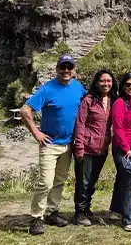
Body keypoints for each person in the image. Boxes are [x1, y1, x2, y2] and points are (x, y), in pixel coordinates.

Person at [21, 55, 86, 236]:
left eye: (69, 67)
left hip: (68, 144)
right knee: (45, 182)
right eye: (63, 67)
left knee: (59, 181)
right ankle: (36, 218)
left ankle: (52, 213)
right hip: (50, 144)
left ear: (74, 70)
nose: (66, 70)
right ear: (57, 69)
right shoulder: (47, 89)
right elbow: (25, 110)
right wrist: (36, 133)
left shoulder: (77, 87)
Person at [72, 69, 116, 226]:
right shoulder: (88, 100)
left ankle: (86, 208)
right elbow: (80, 123)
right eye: (103, 81)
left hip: (102, 149)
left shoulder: (112, 100)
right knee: (83, 182)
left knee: (92, 180)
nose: (106, 84)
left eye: (109, 81)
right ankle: (79, 213)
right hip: (87, 147)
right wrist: (79, 147)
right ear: (97, 82)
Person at [110, 72, 131, 232]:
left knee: (122, 176)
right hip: (121, 148)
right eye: (128, 84)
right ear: (123, 86)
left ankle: (116, 210)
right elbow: (117, 128)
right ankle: (129, 218)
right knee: (130, 179)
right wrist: (126, 148)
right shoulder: (119, 103)